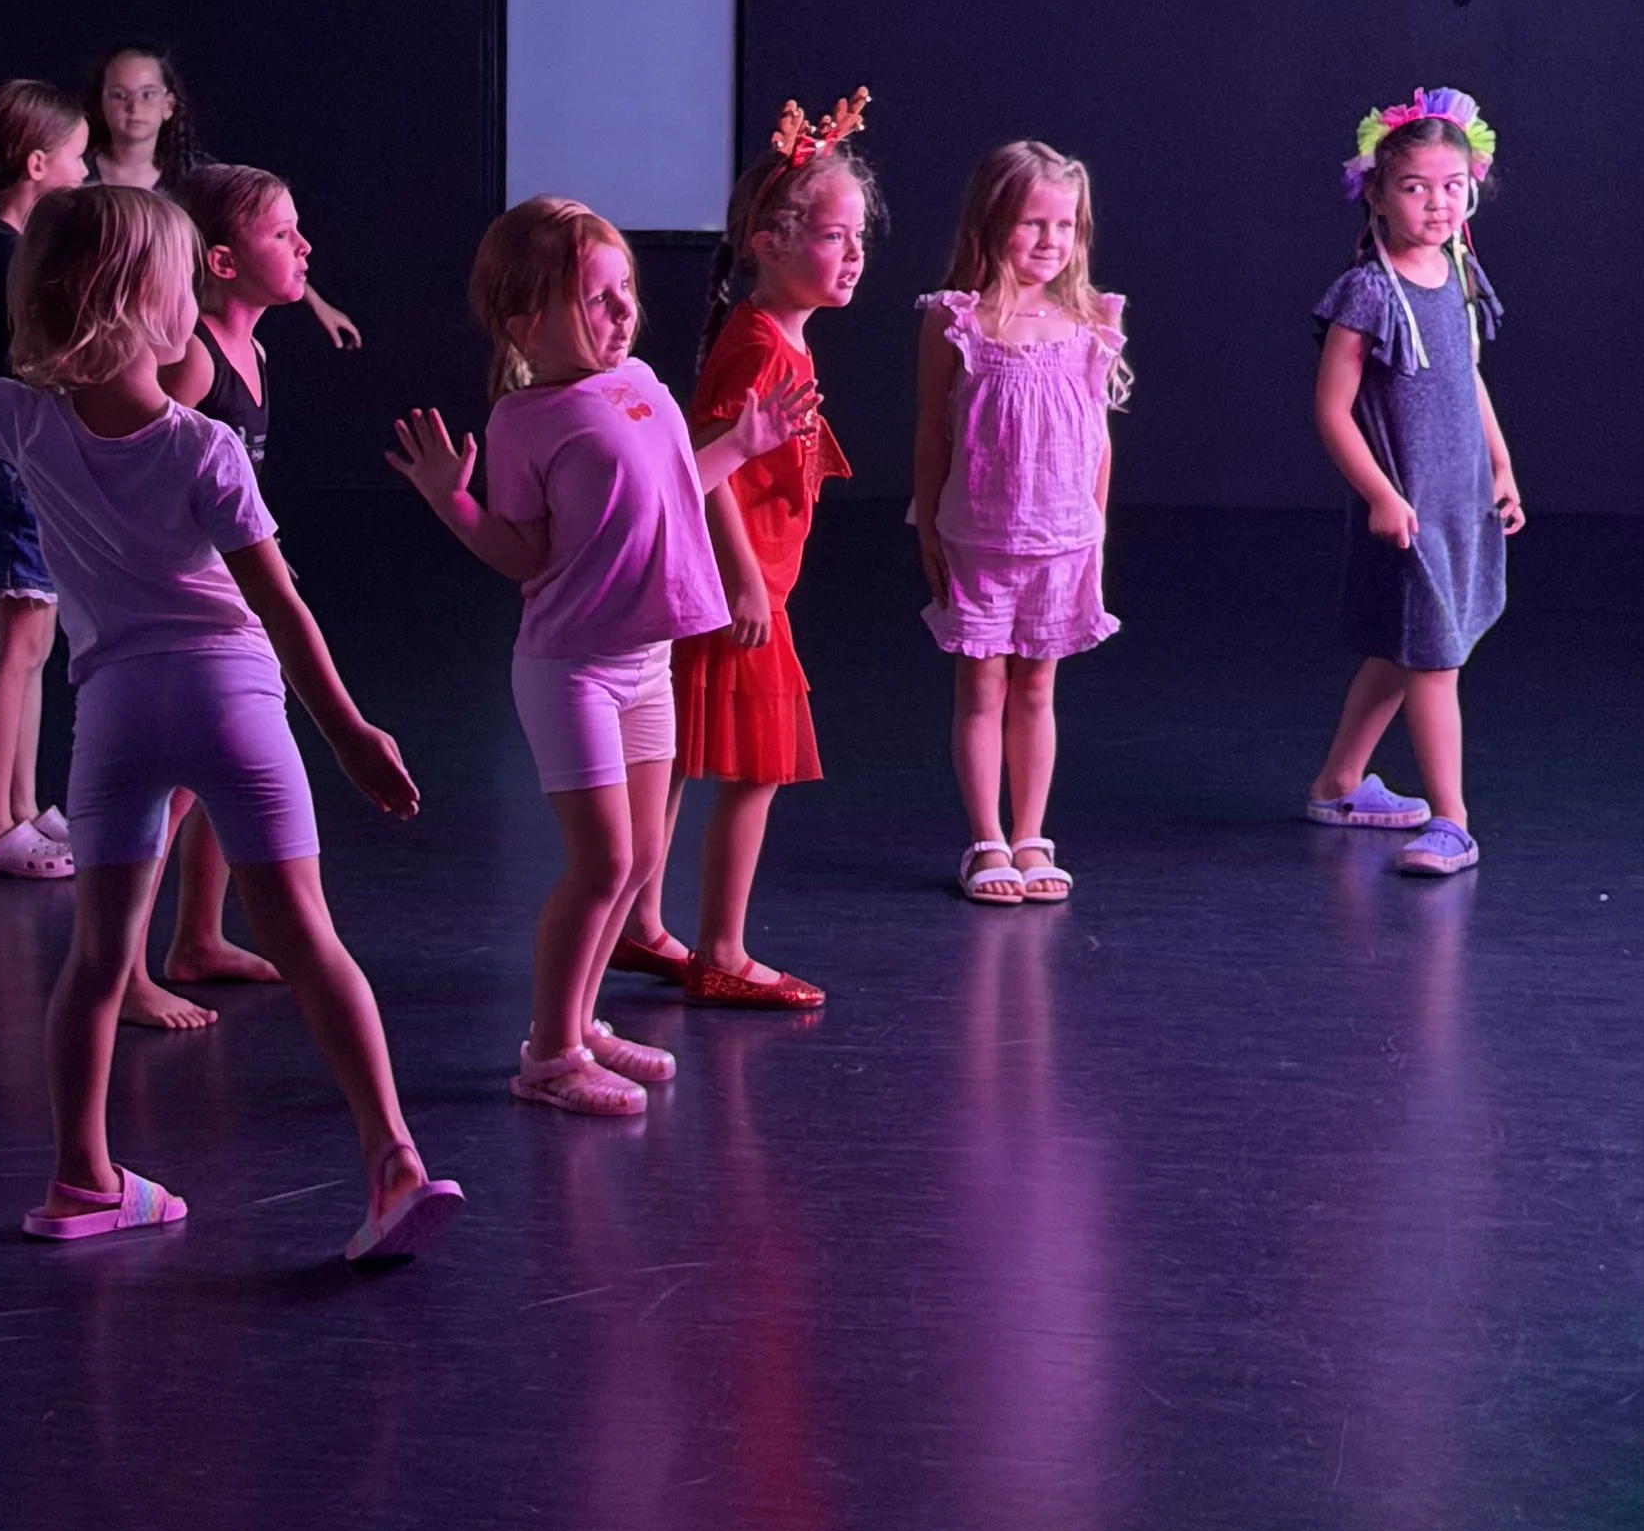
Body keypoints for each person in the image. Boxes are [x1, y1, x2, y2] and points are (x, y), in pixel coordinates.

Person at [0, 166, 463, 1266]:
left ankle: (82, 1177)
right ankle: (392, 1161)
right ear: (148, 309)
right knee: (306, 938)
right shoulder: (203, 447)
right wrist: (349, 730)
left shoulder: (21, 424)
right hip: (231, 697)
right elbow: (279, 602)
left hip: (115, 712)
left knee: (100, 962)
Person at [388, 196, 815, 1119]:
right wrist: (449, 502)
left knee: (643, 852)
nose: (623, 310)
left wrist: (741, 443)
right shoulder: (523, 421)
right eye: (595, 297)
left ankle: (580, 1025)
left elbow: (672, 488)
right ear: (523, 323)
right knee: (602, 858)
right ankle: (548, 1054)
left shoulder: (648, 385)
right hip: (572, 667)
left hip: (646, 660)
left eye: (625, 289)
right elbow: (528, 556)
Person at [617, 95, 874, 1013]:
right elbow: (706, 464)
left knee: (686, 755)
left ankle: (643, 922)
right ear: (767, 242)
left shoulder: (780, 339)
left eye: (856, 237)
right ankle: (721, 947)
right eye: (833, 235)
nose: (852, 253)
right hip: (739, 588)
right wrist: (744, 578)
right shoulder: (759, 342)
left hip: (743, 582)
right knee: (754, 764)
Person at [1305, 89, 1520, 878]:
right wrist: (1382, 494)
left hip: (1459, 493)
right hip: (1409, 502)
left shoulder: (1458, 274)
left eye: (1452, 185)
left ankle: (1337, 782)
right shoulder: (1369, 290)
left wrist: (1499, 464)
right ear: (1376, 192)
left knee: (1411, 646)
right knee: (1434, 659)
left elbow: (1467, 379)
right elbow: (1332, 411)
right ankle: (1453, 821)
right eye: (1415, 186)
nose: (1437, 202)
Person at [912, 141, 1128, 905]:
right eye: (1031, 222)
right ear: (991, 222)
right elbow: (933, 432)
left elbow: (1096, 439)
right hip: (980, 536)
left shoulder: (1089, 321)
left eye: (1064, 225)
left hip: (1062, 539)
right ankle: (985, 839)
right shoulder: (957, 319)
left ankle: (1031, 832)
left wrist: (1095, 533)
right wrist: (927, 524)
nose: (1049, 240)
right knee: (982, 687)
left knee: (1037, 688)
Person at [156, 159, 310, 989]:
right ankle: (132, 963)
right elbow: (142, 474)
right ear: (221, 260)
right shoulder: (195, 360)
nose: (304, 246)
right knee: (180, 786)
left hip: (232, 594)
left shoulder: (252, 350)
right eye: (282, 235)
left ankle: (198, 936)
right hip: (189, 604)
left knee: (227, 766)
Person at [0, 79, 93, 883]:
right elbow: (24, 351)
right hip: (13, 465)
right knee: (15, 645)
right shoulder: (7, 248)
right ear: (38, 163)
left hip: (20, 459)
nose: (84, 172)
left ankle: (17, 804)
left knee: (32, 642)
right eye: (76, 158)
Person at [84, 39, 362, 349]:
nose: (134, 107)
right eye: (120, 95)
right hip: (91, 326)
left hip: (170, 329)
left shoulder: (196, 180)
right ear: (101, 102)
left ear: (168, 106)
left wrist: (314, 300)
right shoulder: (74, 176)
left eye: (148, 94)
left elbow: (253, 242)